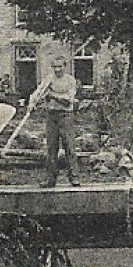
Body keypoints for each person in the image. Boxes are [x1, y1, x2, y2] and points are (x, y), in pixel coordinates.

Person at [28, 56, 83, 187]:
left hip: (66, 116)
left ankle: (74, 177)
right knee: (51, 148)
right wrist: (32, 103)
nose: (57, 69)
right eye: (55, 67)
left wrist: (52, 95)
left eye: (60, 66)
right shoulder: (49, 79)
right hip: (51, 116)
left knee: (69, 146)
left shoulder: (70, 80)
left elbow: (68, 99)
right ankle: (50, 179)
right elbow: (37, 93)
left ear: (65, 67)